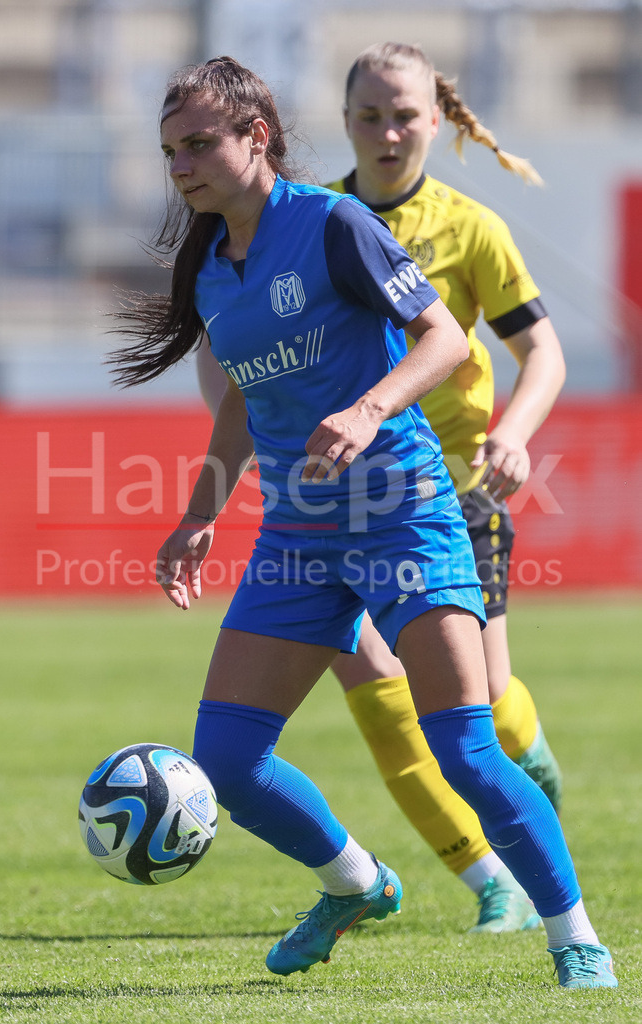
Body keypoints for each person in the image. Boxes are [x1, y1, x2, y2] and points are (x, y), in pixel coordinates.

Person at [109, 56, 617, 990]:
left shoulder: (334, 223)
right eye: (170, 150)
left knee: (465, 749)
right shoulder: (210, 263)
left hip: (403, 515)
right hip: (298, 538)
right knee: (227, 760)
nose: (180, 167)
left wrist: (368, 408)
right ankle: (354, 882)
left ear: (256, 137)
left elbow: (444, 338)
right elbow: (242, 399)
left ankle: (575, 937)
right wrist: (197, 516)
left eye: (199, 145)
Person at [195, 40, 566, 935]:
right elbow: (238, 365)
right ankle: (487, 884)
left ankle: (528, 763)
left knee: (483, 718)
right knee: (382, 707)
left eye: (404, 116)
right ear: (344, 123)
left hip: (447, 492)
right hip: (327, 508)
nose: (387, 132)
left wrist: (513, 435)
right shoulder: (296, 223)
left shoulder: (468, 227)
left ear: (436, 122)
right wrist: (258, 448)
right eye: (369, 117)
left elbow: (539, 353)